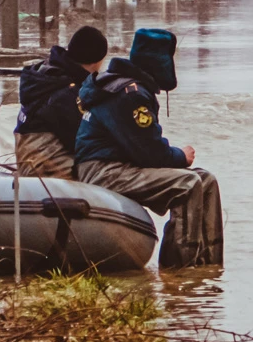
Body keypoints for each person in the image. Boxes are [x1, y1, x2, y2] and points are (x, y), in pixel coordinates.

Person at [74, 28, 223, 267]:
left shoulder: (127, 88)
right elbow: (150, 153)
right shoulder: (129, 94)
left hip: (119, 167)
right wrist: (181, 157)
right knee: (187, 184)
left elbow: (143, 146)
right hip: (103, 172)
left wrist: (174, 157)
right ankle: (179, 269)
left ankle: (209, 265)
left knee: (206, 180)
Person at [13, 26, 108, 178]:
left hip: (29, 162)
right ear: (95, 62)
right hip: (45, 170)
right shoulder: (66, 92)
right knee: (105, 175)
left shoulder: (48, 75)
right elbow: (83, 141)